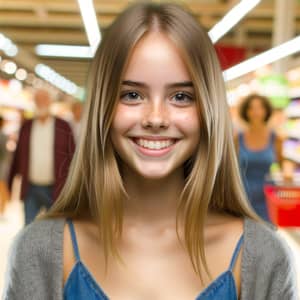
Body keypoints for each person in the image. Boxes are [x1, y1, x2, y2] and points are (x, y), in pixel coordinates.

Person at [3, 4, 297, 300]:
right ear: (103, 107)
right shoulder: (40, 252)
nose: (156, 118)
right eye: (132, 95)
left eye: (181, 96)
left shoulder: (264, 257)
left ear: (209, 110)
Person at [7, 89, 75, 225]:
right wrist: (9, 183)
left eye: (44, 99)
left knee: (56, 229)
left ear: (50, 102)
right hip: (30, 188)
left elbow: (73, 156)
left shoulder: (63, 126)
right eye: (38, 100)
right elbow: (17, 156)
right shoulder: (27, 126)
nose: (41, 103)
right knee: (29, 228)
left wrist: (73, 186)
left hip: (56, 189)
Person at [235, 94, 284, 222]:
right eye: (251, 108)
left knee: (265, 235)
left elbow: (280, 166)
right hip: (242, 195)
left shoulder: (276, 139)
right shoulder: (237, 138)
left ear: (266, 111)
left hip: (266, 197)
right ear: (246, 112)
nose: (256, 112)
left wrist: (288, 168)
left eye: (260, 108)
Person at [0, 116, 10, 215]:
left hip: (2, 165)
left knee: (2, 187)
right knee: (3, 187)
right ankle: (3, 208)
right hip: (3, 165)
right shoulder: (3, 135)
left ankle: (3, 208)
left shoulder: (4, 135)